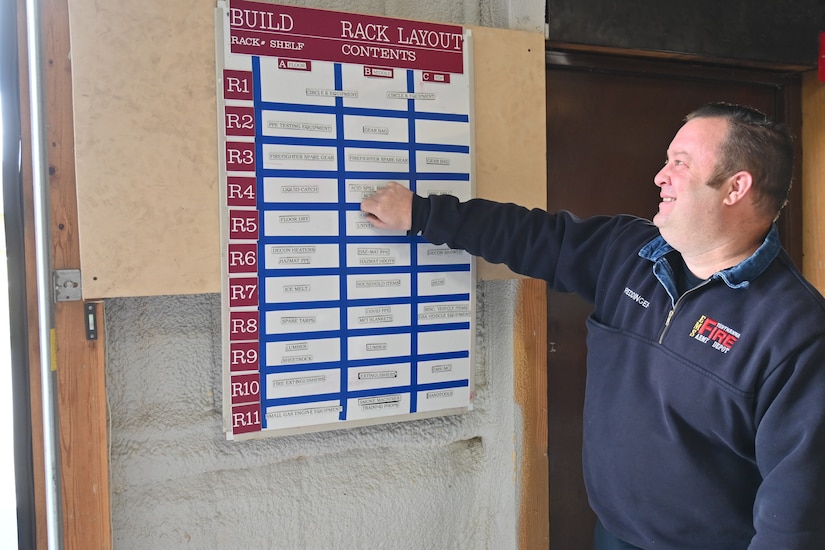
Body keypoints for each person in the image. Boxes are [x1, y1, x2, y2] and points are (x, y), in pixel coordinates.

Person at [361, 102, 825, 549]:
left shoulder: (796, 331)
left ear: (735, 187)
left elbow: (798, 504)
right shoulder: (628, 252)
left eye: (680, 163)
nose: (660, 176)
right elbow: (533, 236)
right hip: (612, 533)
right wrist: (424, 215)